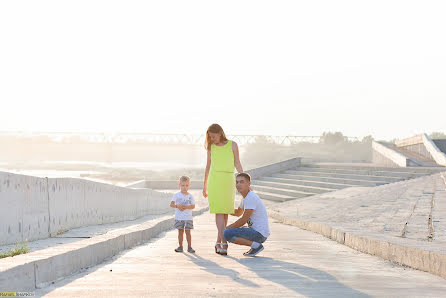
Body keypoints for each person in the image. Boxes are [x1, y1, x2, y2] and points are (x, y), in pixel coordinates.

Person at [203, 124, 243, 255]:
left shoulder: (233, 145)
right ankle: (224, 242)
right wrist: (204, 186)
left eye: (213, 136)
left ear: (220, 133)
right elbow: (208, 166)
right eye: (210, 137)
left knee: (225, 212)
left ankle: (218, 241)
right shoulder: (211, 147)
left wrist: (244, 179)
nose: (212, 139)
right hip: (214, 181)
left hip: (228, 180)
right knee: (219, 212)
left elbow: (237, 162)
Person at [223, 173, 270, 257]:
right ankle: (255, 246)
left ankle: (257, 246)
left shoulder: (250, 197)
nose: (238, 184)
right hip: (256, 232)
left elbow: (243, 220)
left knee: (227, 233)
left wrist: (227, 228)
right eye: (237, 182)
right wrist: (225, 209)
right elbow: (238, 213)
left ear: (249, 183)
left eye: (242, 182)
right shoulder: (245, 197)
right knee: (228, 231)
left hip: (259, 233)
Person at [170, 175, 196, 253]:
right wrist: (178, 206)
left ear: (189, 185)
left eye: (186, 185)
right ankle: (180, 246)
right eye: (183, 185)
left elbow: (193, 206)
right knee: (180, 232)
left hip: (188, 218)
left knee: (188, 232)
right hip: (179, 218)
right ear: (179, 185)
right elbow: (171, 204)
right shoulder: (176, 195)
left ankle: (189, 247)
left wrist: (186, 207)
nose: (185, 187)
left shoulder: (190, 196)